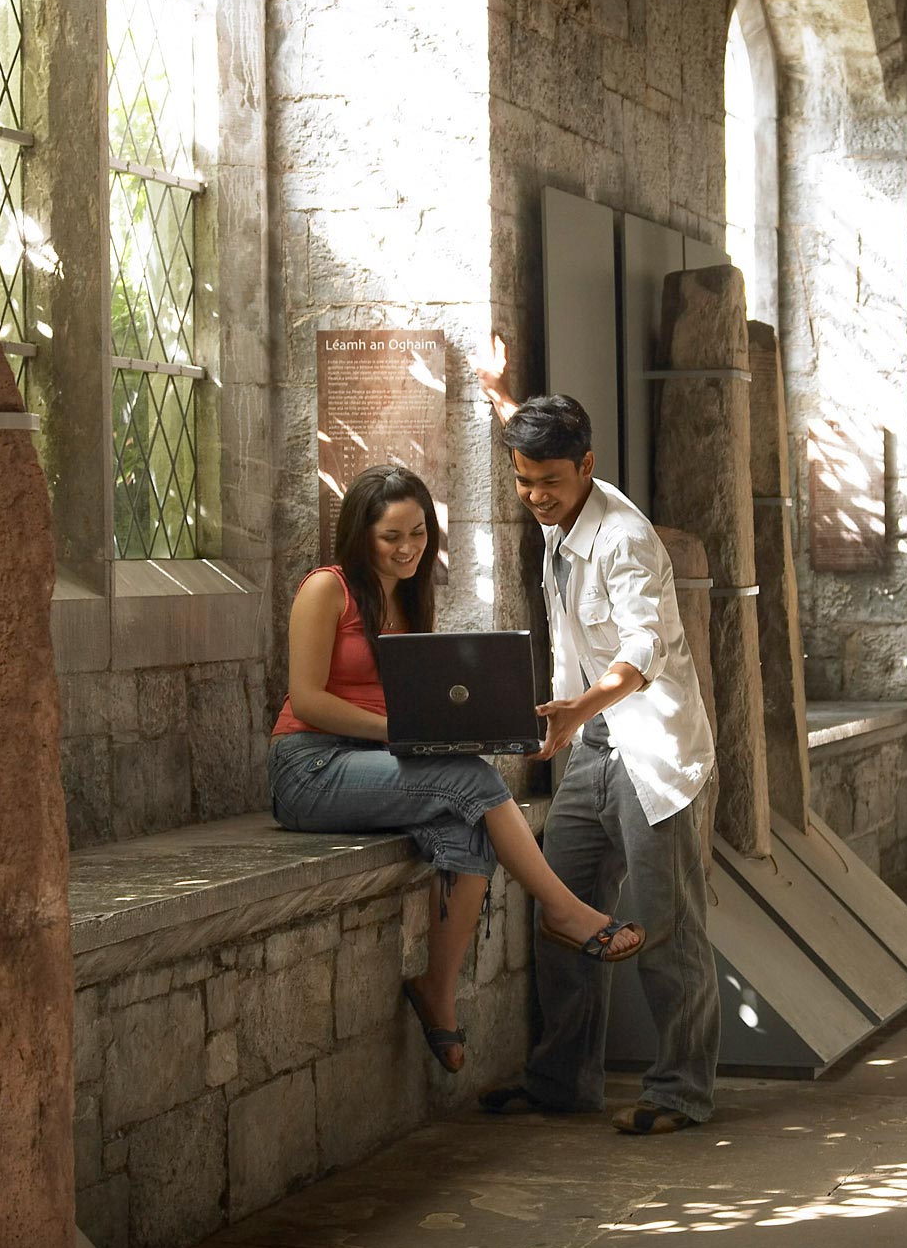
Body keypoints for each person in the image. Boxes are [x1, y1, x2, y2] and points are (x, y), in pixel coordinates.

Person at [270, 462, 644, 1076]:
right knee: (469, 779)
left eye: (418, 533)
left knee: (468, 831)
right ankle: (563, 910)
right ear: (360, 535)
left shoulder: (411, 597)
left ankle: (436, 990)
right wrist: (405, 734)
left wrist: (470, 724)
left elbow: (420, 697)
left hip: (374, 762)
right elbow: (307, 700)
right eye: (391, 537)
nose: (407, 548)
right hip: (309, 768)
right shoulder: (326, 589)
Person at [479, 395, 721, 1135]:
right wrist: (499, 392)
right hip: (595, 746)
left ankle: (681, 1092)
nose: (535, 496)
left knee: (667, 928)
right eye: (522, 482)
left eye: (548, 480)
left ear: (587, 465)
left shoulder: (624, 540)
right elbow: (527, 430)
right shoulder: (554, 494)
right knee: (566, 910)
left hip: (656, 751)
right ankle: (563, 1081)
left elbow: (640, 651)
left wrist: (578, 709)